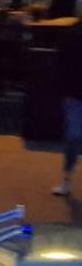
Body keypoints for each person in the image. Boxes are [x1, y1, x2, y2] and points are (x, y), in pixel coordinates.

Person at [53, 19, 82, 195]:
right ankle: (66, 178)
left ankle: (67, 179)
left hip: (73, 91)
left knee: (73, 135)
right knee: (73, 135)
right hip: (74, 91)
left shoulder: (72, 32)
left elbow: (60, 61)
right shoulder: (72, 33)